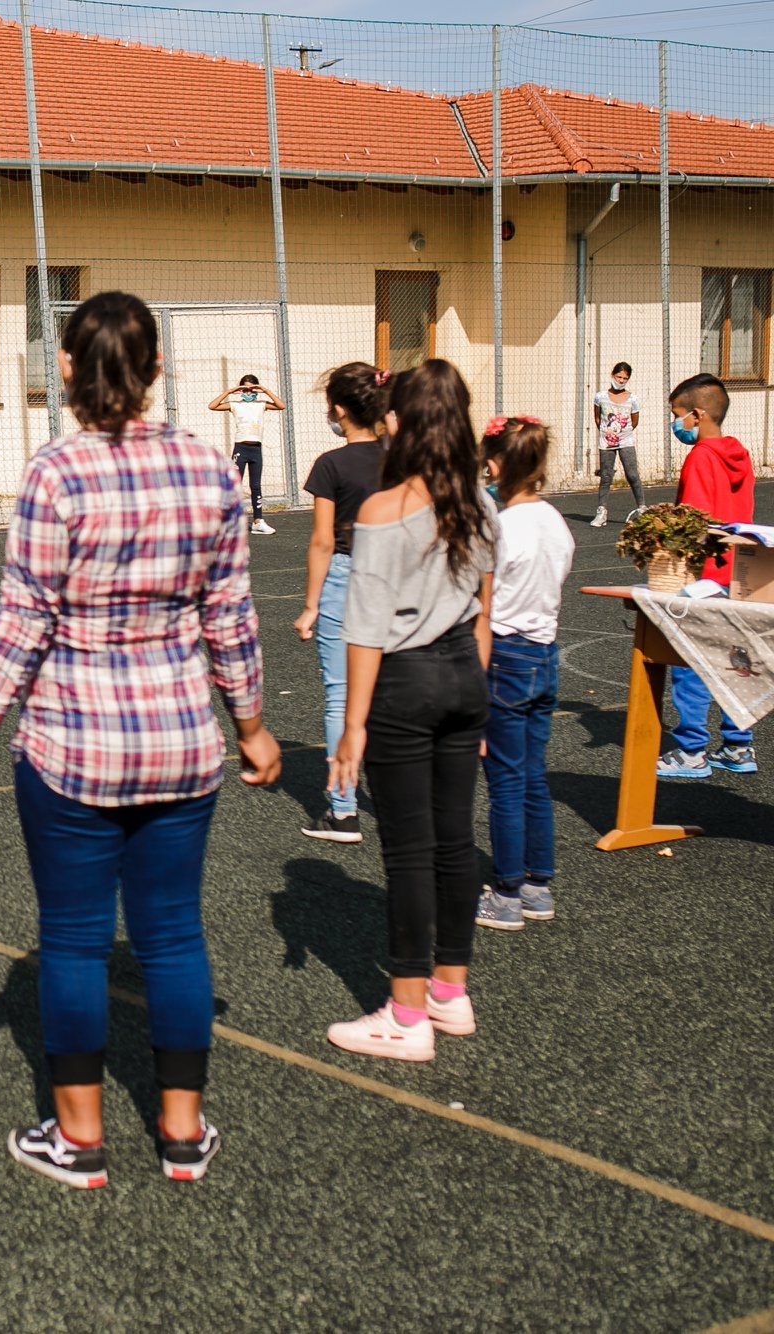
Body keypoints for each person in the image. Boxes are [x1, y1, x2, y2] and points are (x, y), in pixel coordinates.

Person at [0, 292, 279, 1189]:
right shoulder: (209, 469)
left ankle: (80, 1141)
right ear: (155, 370)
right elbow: (230, 617)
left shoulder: (55, 474)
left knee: (72, 941)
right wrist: (253, 728)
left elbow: (22, 625)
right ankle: (182, 1131)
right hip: (185, 744)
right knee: (175, 936)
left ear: (66, 366)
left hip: (72, 749)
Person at [325, 359, 497, 1063]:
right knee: (456, 842)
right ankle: (451, 993)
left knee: (409, 854)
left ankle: (407, 1013)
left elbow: (365, 628)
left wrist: (354, 727)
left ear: (399, 423)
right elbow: (484, 615)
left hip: (407, 683)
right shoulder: (481, 503)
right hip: (464, 675)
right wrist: (474, 698)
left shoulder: (383, 509)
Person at [477, 416, 574, 932]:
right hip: (545, 652)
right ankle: (538, 883)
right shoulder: (556, 523)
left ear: (494, 466)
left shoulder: (500, 527)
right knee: (533, 773)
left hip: (505, 656)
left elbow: (484, 605)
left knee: (504, 781)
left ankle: (507, 891)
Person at [294, 363, 390, 844]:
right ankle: (401, 803)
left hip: (345, 580)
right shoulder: (403, 458)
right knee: (394, 697)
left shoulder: (331, 464)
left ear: (337, 410)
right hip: (397, 581)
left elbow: (322, 542)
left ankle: (344, 811)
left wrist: (311, 604)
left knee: (340, 696)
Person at [657, 373, 757, 780]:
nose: (676, 425)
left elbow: (694, 523)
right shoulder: (741, 454)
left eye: (678, 416)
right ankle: (737, 745)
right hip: (741, 573)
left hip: (705, 576)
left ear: (697, 415)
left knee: (691, 661)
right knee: (737, 661)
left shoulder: (700, 457)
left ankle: (691, 749)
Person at [208, 374, 284, 534]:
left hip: (256, 449)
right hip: (241, 449)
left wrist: (264, 390)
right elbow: (212, 406)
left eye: (251, 390)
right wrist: (231, 391)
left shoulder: (261, 404)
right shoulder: (235, 404)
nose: (248, 393)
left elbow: (281, 405)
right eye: (245, 390)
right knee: (235, 484)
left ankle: (258, 521)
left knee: (256, 486)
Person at [591, 362, 644, 528]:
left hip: (626, 441)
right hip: (607, 441)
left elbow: (634, 420)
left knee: (632, 474)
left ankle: (642, 508)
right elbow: (598, 417)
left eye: (624, 378)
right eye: (618, 377)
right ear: (612, 375)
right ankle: (601, 511)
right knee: (606, 476)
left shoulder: (633, 399)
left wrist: (623, 433)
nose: (621, 381)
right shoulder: (600, 396)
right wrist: (607, 432)